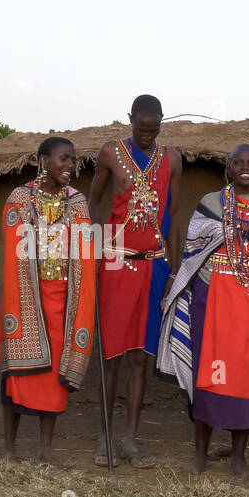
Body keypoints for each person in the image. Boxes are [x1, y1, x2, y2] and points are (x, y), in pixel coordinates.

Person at [158, 145, 249, 477]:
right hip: (210, 301)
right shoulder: (211, 204)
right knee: (208, 379)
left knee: (246, 381)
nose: (244, 167)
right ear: (228, 169)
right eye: (237, 162)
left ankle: (240, 456)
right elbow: (193, 254)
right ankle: (200, 454)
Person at [87, 94, 183, 468]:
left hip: (155, 266)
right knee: (111, 355)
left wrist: (174, 270)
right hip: (116, 263)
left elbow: (175, 214)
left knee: (141, 358)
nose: (147, 136)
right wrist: (95, 253)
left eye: (154, 129)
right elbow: (94, 203)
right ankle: (105, 436)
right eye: (141, 129)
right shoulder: (110, 153)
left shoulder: (172, 159)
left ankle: (130, 439)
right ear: (130, 120)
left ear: (161, 122)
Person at [0, 137, 96, 463]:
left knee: (56, 378)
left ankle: (44, 451)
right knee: (17, 377)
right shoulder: (20, 198)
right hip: (28, 299)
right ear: (43, 160)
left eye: (73, 160)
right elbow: (15, 253)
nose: (70, 166)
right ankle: (9, 449)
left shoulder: (77, 202)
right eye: (63, 159)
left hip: (64, 302)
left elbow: (86, 251)